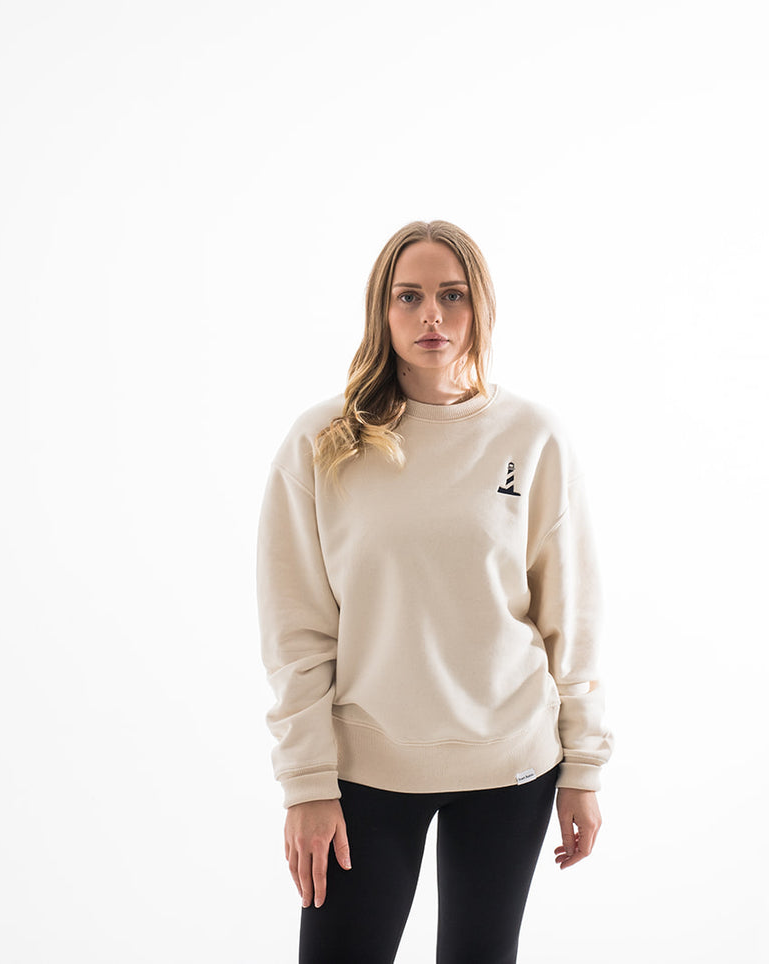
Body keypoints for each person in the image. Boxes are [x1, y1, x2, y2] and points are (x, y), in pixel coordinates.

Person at [256, 219, 614, 963]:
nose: (431, 316)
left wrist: (583, 768)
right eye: (408, 296)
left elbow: (568, 617)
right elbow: (296, 631)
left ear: (480, 306)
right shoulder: (323, 440)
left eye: (452, 296)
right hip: (365, 768)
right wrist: (305, 781)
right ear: (380, 310)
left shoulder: (532, 436)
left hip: (510, 762)